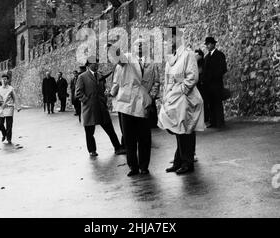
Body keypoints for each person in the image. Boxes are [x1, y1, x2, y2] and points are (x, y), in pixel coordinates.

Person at [109, 38, 160, 177]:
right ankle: (133, 166)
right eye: (137, 44)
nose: (139, 46)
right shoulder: (127, 60)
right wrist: (112, 48)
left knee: (144, 137)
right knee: (129, 137)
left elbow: (156, 82)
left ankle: (144, 166)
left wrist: (151, 97)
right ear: (133, 47)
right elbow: (119, 59)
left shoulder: (152, 63)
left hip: (143, 103)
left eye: (142, 44)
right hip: (127, 104)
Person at [158, 28, 205, 175]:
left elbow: (192, 77)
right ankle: (179, 160)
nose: (166, 42)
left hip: (185, 98)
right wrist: (166, 96)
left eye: (168, 39)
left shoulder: (188, 55)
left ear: (175, 38)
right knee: (178, 130)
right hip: (173, 98)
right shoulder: (171, 58)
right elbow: (167, 80)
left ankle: (187, 162)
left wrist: (182, 91)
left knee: (186, 130)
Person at [75, 56, 124, 157]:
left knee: (110, 129)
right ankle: (92, 150)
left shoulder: (100, 76)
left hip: (101, 107)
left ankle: (118, 148)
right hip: (89, 109)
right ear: (88, 65)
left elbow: (104, 88)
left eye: (97, 63)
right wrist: (87, 101)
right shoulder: (82, 77)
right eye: (94, 63)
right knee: (89, 132)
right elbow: (78, 92)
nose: (96, 65)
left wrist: (105, 96)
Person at [203, 37, 227, 128]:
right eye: (206, 44)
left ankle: (220, 122)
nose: (207, 46)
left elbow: (223, 69)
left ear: (213, 44)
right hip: (209, 85)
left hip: (216, 84)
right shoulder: (206, 57)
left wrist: (214, 76)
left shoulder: (220, 55)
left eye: (209, 44)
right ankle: (213, 121)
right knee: (211, 103)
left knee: (217, 103)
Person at [0, 74, 19, 144]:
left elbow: (15, 98)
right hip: (1, 108)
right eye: (3, 79)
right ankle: (4, 134)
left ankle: (9, 138)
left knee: (9, 125)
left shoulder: (11, 88)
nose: (4, 80)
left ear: (7, 80)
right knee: (0, 123)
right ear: (1, 80)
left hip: (9, 107)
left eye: (5, 79)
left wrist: (17, 106)